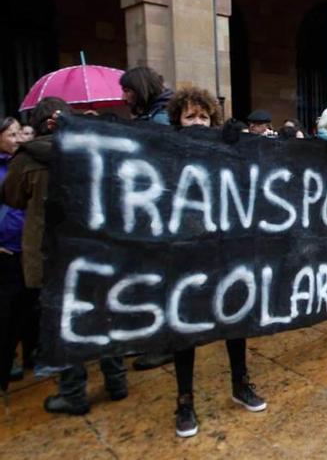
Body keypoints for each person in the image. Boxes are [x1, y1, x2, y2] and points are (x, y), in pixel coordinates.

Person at [3, 98, 129, 414]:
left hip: (50, 255)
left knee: (64, 323)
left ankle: (74, 394)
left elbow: (13, 198)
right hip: (93, 247)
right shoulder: (92, 149)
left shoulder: (27, 158)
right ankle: (116, 382)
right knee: (103, 314)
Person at [166, 87, 266, 438]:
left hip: (224, 250)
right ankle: (185, 401)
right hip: (184, 254)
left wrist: (239, 146)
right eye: (190, 116)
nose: (197, 122)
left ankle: (241, 384)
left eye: (204, 117)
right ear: (177, 120)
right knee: (186, 329)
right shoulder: (164, 153)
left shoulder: (225, 151)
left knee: (234, 318)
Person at [121, 66, 176, 372]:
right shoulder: (150, 114)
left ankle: (162, 343)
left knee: (160, 280)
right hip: (147, 210)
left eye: (127, 90)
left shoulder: (162, 116)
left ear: (140, 89)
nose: (123, 96)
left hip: (163, 212)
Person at [0, 117, 27, 392]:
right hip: (4, 251)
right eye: (11, 134)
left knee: (23, 310)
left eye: (20, 132)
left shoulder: (21, 163)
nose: (18, 138)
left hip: (23, 248)